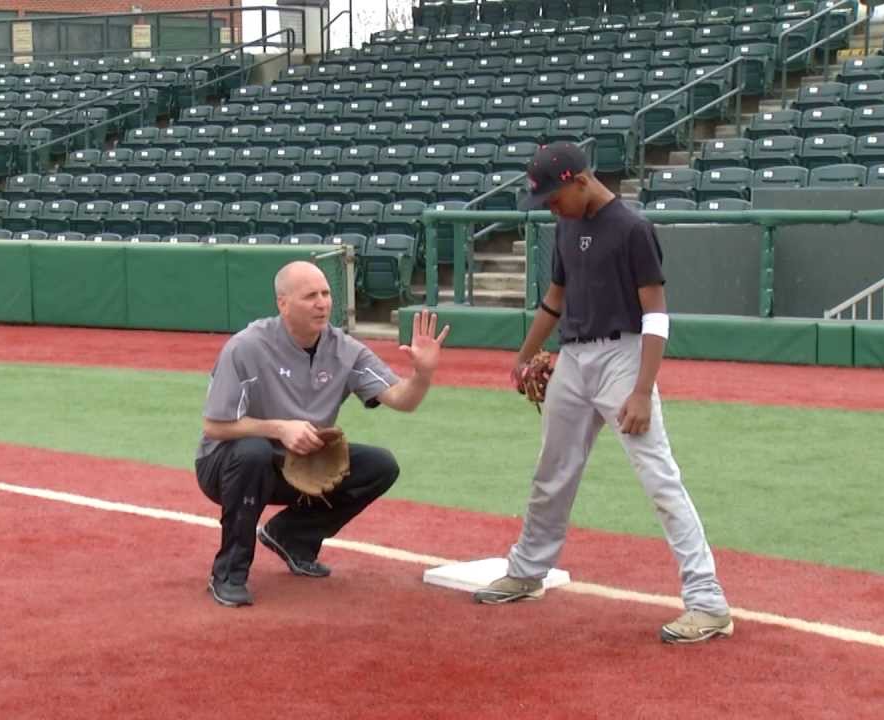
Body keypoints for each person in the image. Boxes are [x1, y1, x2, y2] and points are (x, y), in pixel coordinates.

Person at [471, 143, 733, 644]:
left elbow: (656, 315)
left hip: (625, 356)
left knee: (659, 477)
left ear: (580, 180)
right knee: (552, 470)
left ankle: (708, 601)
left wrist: (641, 390)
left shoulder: (632, 229)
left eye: (553, 197)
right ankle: (528, 571)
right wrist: (525, 355)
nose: (551, 207)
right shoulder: (566, 225)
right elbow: (555, 299)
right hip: (575, 357)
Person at [196, 260, 450, 608]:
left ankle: (292, 537)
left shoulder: (344, 349)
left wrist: (422, 375)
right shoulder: (247, 347)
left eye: (326, 293)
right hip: (225, 465)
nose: (322, 303)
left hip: (298, 465)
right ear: (283, 304)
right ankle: (228, 573)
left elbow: (401, 400)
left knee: (380, 466)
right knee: (253, 451)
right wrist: (279, 428)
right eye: (310, 296)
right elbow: (214, 426)